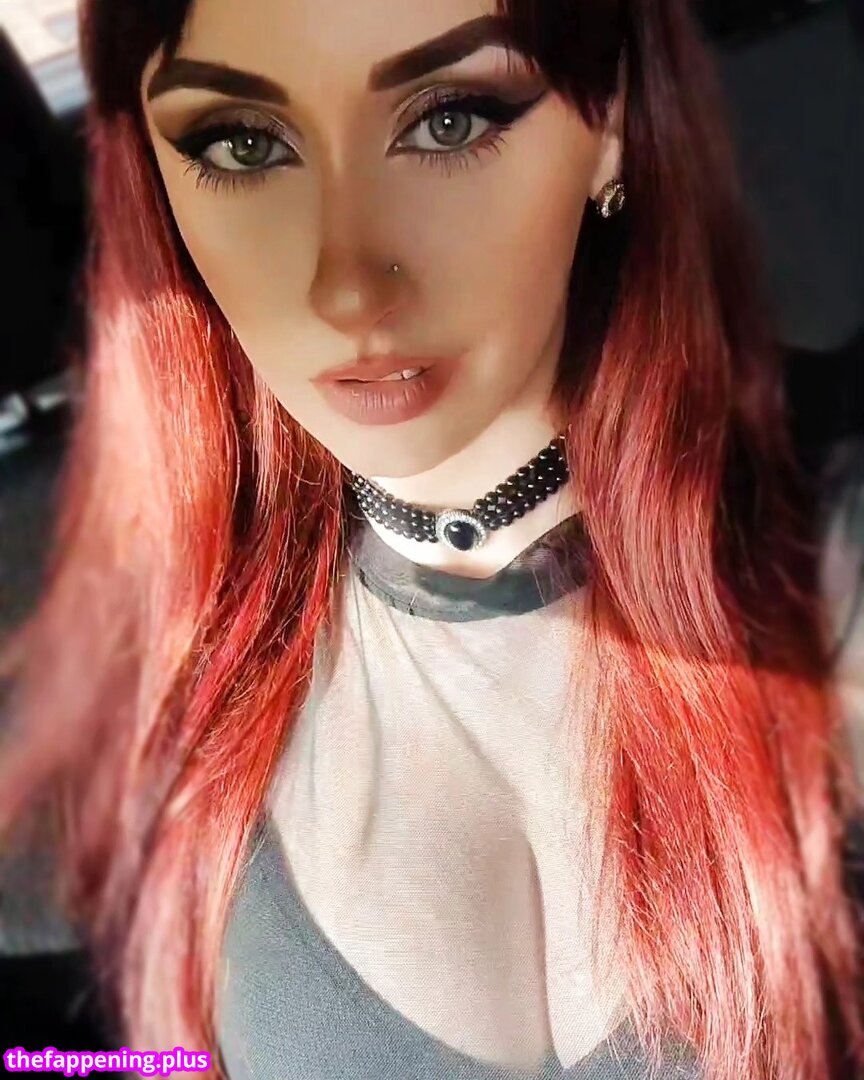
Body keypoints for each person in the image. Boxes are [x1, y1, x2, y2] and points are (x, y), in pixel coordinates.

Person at [0, 1, 862, 1077]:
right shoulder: (176, 644)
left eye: (449, 120)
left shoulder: (833, 541)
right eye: (242, 144)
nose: (346, 284)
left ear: (609, 121)